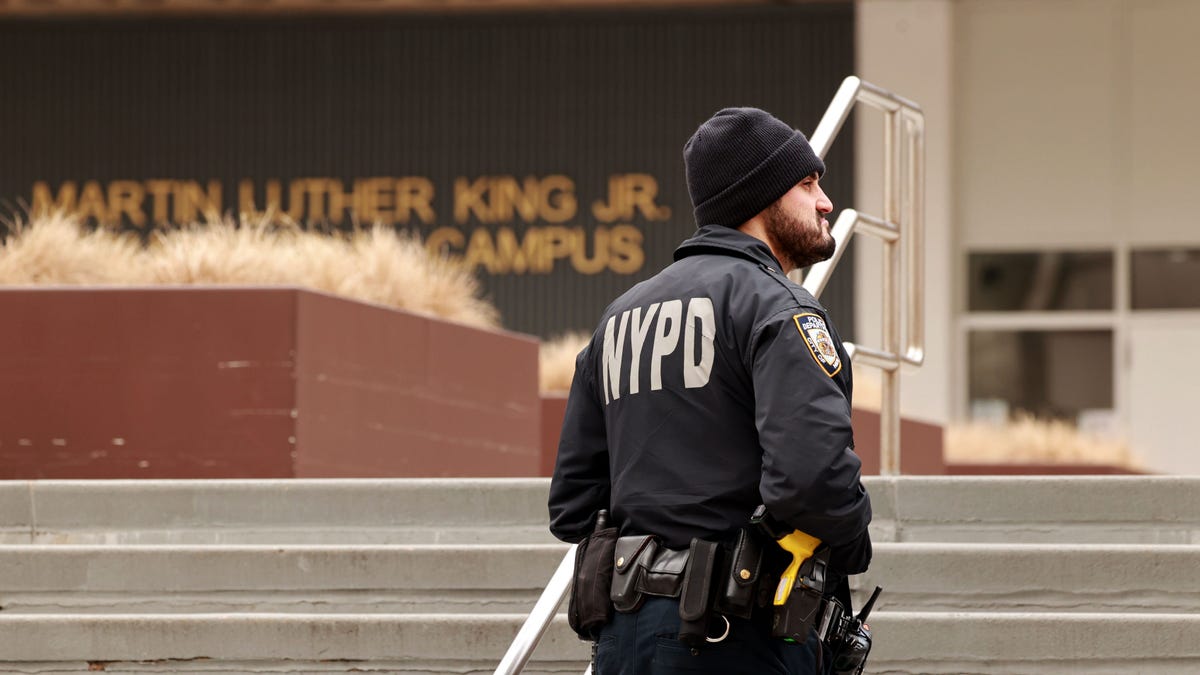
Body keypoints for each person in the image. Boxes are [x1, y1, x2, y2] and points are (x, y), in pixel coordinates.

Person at [548, 107, 872, 675]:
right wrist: (852, 545)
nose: (825, 202)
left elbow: (573, 506)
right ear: (759, 199)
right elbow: (811, 479)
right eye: (807, 184)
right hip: (739, 636)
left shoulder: (618, 318)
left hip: (625, 641)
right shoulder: (782, 310)